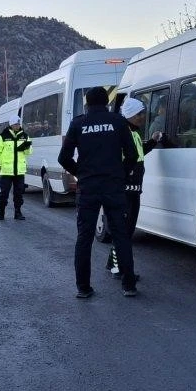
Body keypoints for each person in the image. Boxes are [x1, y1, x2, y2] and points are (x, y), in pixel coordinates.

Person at [57, 86, 138, 298]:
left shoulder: (78, 123)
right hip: (114, 187)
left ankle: (83, 288)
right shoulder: (118, 122)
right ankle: (128, 285)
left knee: (84, 237)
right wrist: (122, 174)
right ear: (107, 102)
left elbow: (63, 158)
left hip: (88, 188)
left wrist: (80, 174)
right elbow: (132, 154)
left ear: (87, 103)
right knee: (121, 236)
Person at [106, 97, 164, 277]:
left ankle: (113, 264)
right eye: (140, 114)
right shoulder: (123, 133)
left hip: (134, 190)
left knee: (125, 230)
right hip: (125, 191)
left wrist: (153, 142)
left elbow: (138, 154)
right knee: (123, 231)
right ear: (131, 115)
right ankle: (118, 268)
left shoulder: (135, 132)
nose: (143, 117)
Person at [0, 115, 31, 220]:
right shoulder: (3, 136)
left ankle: (18, 212)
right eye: (15, 124)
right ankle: (1, 212)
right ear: (11, 125)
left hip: (19, 171)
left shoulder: (25, 136)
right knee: (4, 193)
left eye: (18, 124)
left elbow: (29, 152)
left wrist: (27, 147)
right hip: (6, 171)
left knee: (19, 193)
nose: (17, 126)